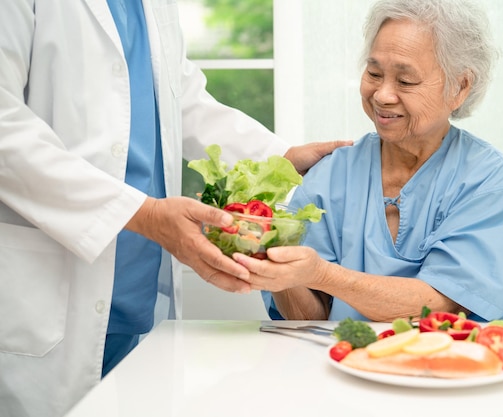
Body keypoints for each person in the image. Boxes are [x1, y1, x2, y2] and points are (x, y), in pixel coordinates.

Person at [0, 1, 348, 416]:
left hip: (139, 294)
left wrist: (278, 156)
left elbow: (181, 98)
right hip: (53, 291)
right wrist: (144, 215)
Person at [234, 0, 503, 324]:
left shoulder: (488, 181)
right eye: (374, 73)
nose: (382, 94)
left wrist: (322, 274)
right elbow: (308, 319)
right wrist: (273, 254)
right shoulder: (331, 175)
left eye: (406, 81)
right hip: (334, 369)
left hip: (445, 370)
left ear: (460, 87)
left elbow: (439, 307)